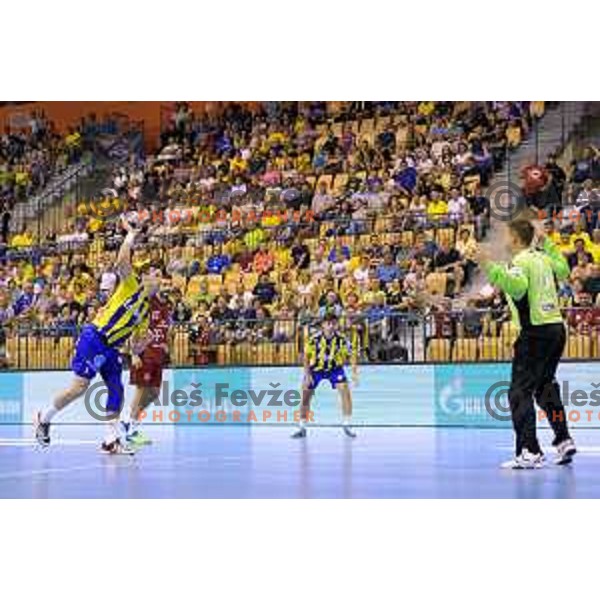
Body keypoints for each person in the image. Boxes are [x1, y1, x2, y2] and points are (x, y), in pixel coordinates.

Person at [33, 216, 151, 454]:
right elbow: (120, 263)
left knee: (116, 388)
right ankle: (44, 418)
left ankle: (110, 440)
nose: (160, 278)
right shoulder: (131, 285)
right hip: (95, 337)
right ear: (146, 277)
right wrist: (130, 234)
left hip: (113, 349)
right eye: (156, 274)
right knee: (79, 388)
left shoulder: (146, 312)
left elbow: (136, 346)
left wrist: (141, 346)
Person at [480, 219, 576, 469]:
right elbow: (564, 270)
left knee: (519, 392)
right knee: (545, 388)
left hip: (534, 332)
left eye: (507, 235)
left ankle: (529, 450)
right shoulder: (543, 257)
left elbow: (518, 287)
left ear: (515, 238)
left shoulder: (520, 261)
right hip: (556, 329)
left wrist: (488, 266)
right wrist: (549, 244)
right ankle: (563, 439)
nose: (505, 240)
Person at [291, 312, 358, 439]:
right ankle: (302, 427)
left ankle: (347, 425)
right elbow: (306, 356)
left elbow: (352, 354)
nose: (331, 326)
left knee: (345, 390)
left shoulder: (342, 340)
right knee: (305, 394)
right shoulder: (314, 339)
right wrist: (306, 374)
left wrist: (354, 372)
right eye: (328, 324)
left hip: (335, 369)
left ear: (337, 325)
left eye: (333, 323)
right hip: (316, 369)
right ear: (323, 325)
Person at [123, 278, 173, 447]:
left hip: (158, 355)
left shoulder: (167, 306)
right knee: (141, 391)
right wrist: (133, 354)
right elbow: (133, 326)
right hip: (144, 353)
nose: (168, 287)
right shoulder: (148, 303)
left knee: (154, 394)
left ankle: (128, 420)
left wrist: (166, 345)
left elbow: (164, 329)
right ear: (158, 286)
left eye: (169, 284)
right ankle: (131, 428)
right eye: (164, 284)